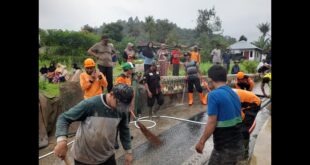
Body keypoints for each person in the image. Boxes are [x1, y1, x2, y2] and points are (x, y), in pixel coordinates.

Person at [53, 84, 134, 165]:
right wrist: (61, 141)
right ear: (112, 94)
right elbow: (64, 118)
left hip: (107, 156)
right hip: (84, 158)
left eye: (124, 106)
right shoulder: (90, 104)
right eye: (119, 103)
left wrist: (128, 152)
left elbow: (124, 129)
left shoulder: (122, 109)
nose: (121, 108)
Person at [195, 65, 244, 165]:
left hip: (224, 149)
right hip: (238, 145)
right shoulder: (234, 93)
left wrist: (201, 142)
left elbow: (212, 122)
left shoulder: (213, 95)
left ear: (210, 79)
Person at [231, 88, 261, 159]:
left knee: (244, 128)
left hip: (254, 104)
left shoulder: (231, 99)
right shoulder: (225, 94)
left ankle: (245, 152)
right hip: (244, 101)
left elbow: (241, 116)